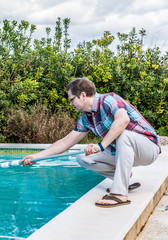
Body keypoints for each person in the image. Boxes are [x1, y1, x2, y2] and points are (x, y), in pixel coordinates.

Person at [21, 77, 161, 208]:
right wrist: (37, 156)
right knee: (82, 157)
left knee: (123, 134)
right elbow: (65, 142)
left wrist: (101, 146)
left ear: (83, 95)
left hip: (148, 148)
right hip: (125, 153)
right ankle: (122, 178)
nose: (70, 104)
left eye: (72, 99)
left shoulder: (108, 100)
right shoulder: (86, 117)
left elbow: (123, 120)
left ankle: (119, 193)